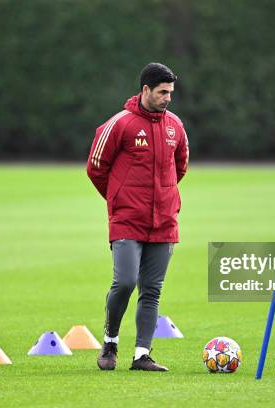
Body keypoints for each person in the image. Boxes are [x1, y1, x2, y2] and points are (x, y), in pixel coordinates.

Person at [86, 62, 189, 371]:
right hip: (127, 221)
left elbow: (180, 165)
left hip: (164, 223)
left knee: (152, 290)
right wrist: (120, 199)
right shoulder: (121, 123)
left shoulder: (175, 126)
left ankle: (141, 354)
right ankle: (110, 343)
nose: (168, 97)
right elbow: (96, 167)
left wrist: (162, 198)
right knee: (126, 281)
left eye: (170, 92)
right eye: (162, 92)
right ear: (145, 90)